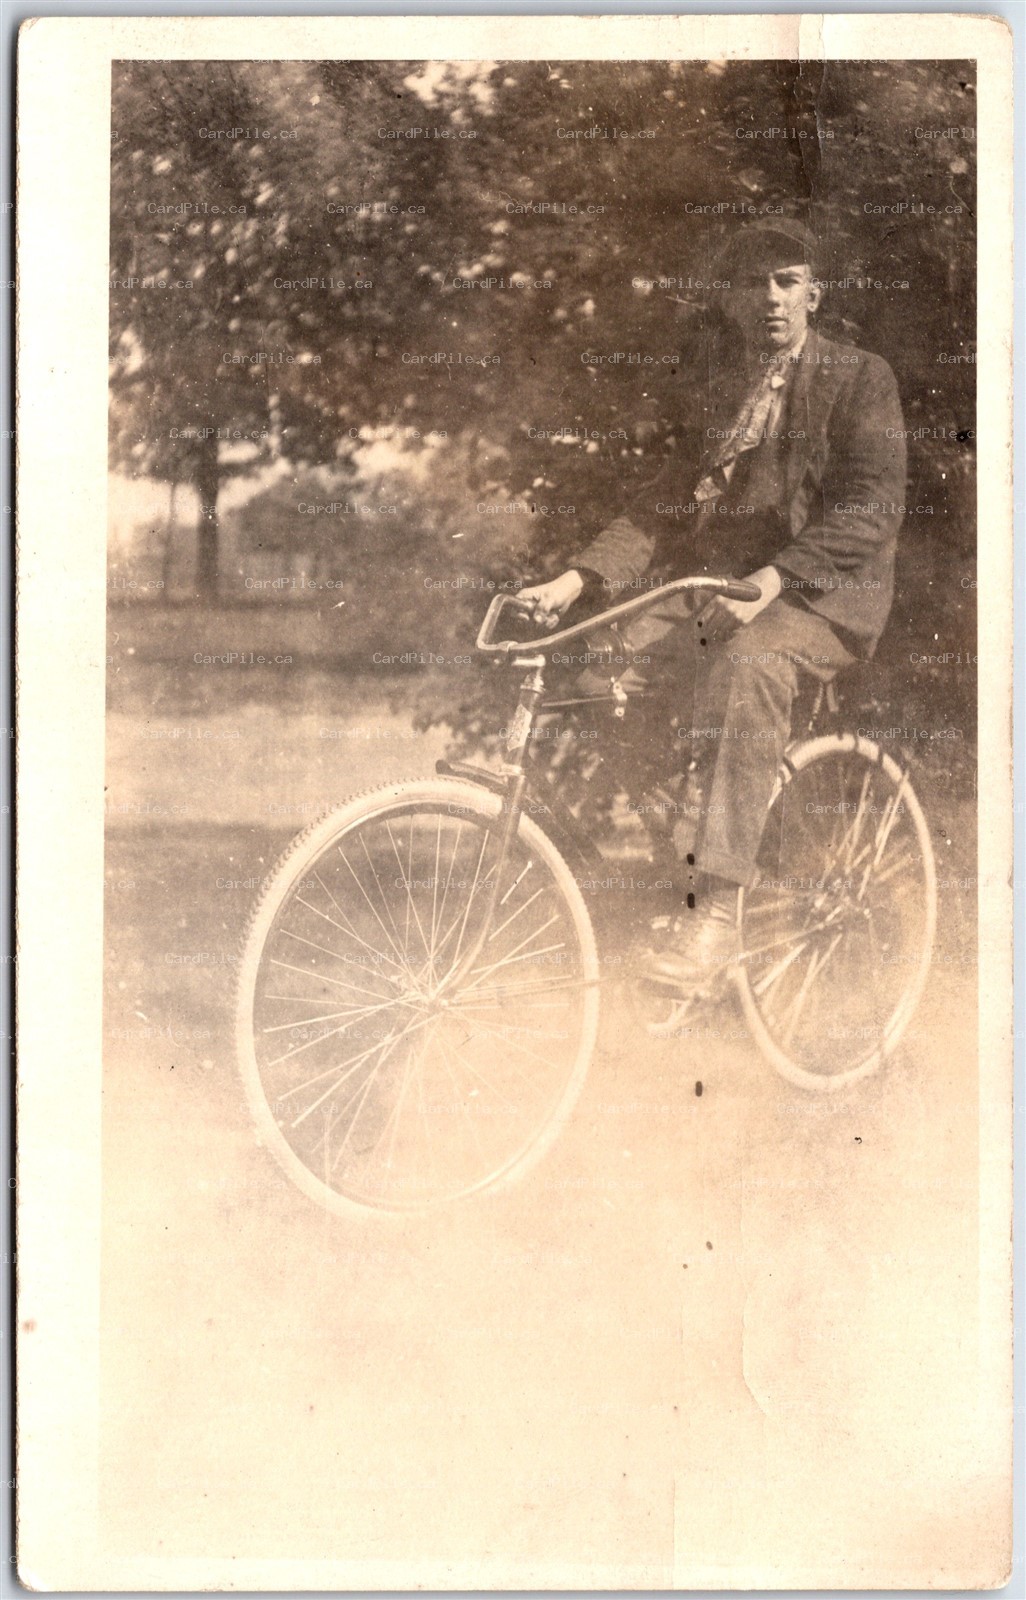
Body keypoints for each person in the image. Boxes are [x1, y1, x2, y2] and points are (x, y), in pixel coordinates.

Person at [519, 218, 907, 995]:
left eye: (785, 280)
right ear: (729, 300)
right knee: (600, 668)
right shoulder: (722, 394)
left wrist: (777, 575)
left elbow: (873, 506)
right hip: (728, 593)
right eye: (751, 283)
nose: (769, 297)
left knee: (749, 662)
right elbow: (664, 503)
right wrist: (574, 581)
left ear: (813, 294)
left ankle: (717, 912)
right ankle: (691, 856)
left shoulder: (860, 377)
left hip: (824, 598)